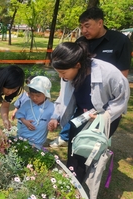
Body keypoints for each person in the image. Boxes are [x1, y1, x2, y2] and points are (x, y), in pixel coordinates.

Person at [49, 6, 132, 148]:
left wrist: (110, 111)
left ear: (100, 23)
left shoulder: (120, 41)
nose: (84, 30)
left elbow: (122, 76)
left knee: (92, 144)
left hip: (106, 95)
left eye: (87, 26)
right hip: (83, 93)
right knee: (76, 135)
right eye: (81, 26)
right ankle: (67, 138)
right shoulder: (81, 41)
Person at [48, 42, 130, 183]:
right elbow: (64, 97)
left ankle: (86, 180)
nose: (62, 77)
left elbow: (121, 99)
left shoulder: (108, 73)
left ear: (78, 65)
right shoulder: (67, 72)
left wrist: (104, 116)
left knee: (89, 147)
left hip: (105, 114)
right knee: (74, 145)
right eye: (59, 73)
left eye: (63, 73)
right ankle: (73, 177)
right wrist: (55, 116)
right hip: (83, 113)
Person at [16, 76, 54, 149]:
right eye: (32, 95)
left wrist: (52, 125)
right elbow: (19, 114)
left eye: (38, 96)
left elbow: (54, 119)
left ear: (45, 94)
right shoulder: (27, 103)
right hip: (23, 137)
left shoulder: (51, 107)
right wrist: (24, 121)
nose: (34, 98)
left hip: (38, 140)